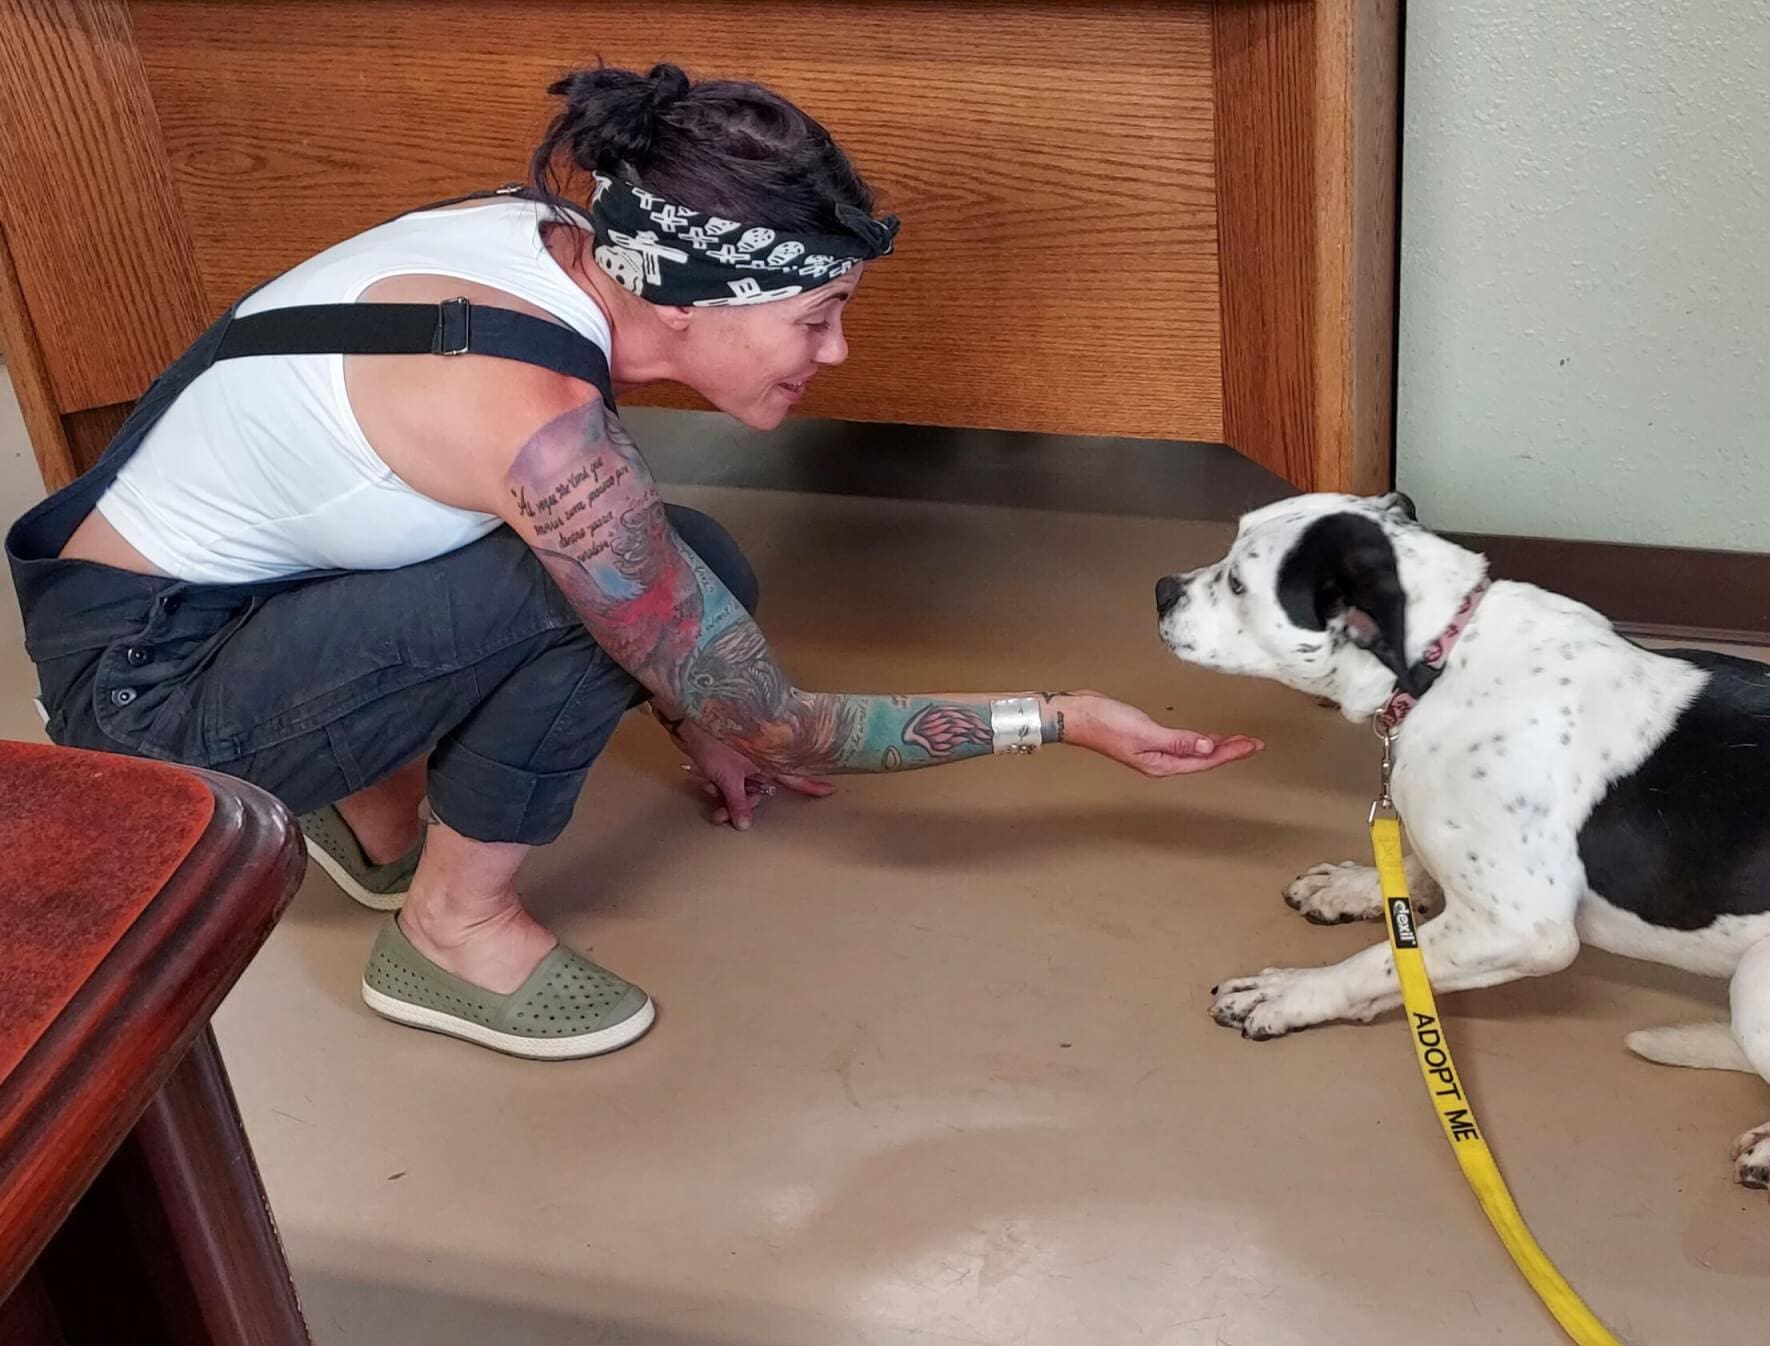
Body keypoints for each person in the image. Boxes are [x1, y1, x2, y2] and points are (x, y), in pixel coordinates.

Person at [4, 62, 1260, 1060]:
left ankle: (370, 813)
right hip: (150, 700)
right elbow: (788, 727)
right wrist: (1058, 715)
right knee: (600, 591)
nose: (832, 352)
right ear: (681, 302)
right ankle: (449, 930)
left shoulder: (553, 239)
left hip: (215, 602)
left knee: (682, 561)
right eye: (814, 317)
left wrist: (681, 692)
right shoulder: (531, 415)